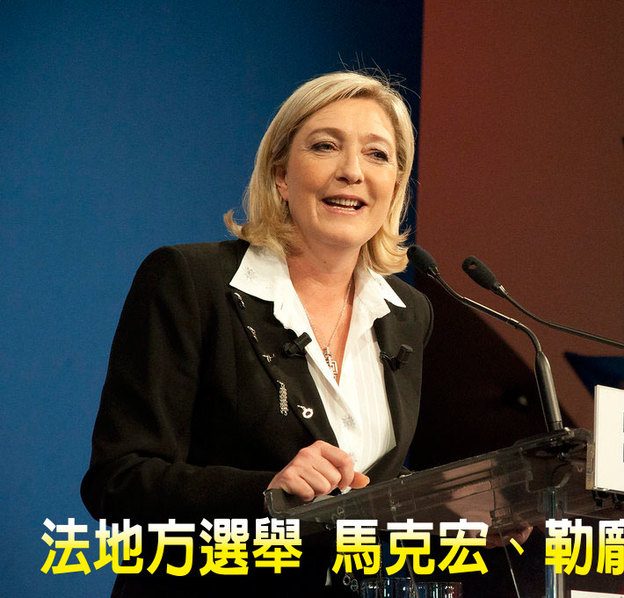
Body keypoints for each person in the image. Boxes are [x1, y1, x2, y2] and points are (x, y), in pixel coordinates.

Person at [81, 71, 433, 596]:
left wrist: (460, 515)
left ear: (396, 187)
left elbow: (369, 488)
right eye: (325, 146)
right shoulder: (191, 281)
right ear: (281, 176)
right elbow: (119, 482)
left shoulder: (407, 313)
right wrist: (264, 492)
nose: (352, 171)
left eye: (377, 155)